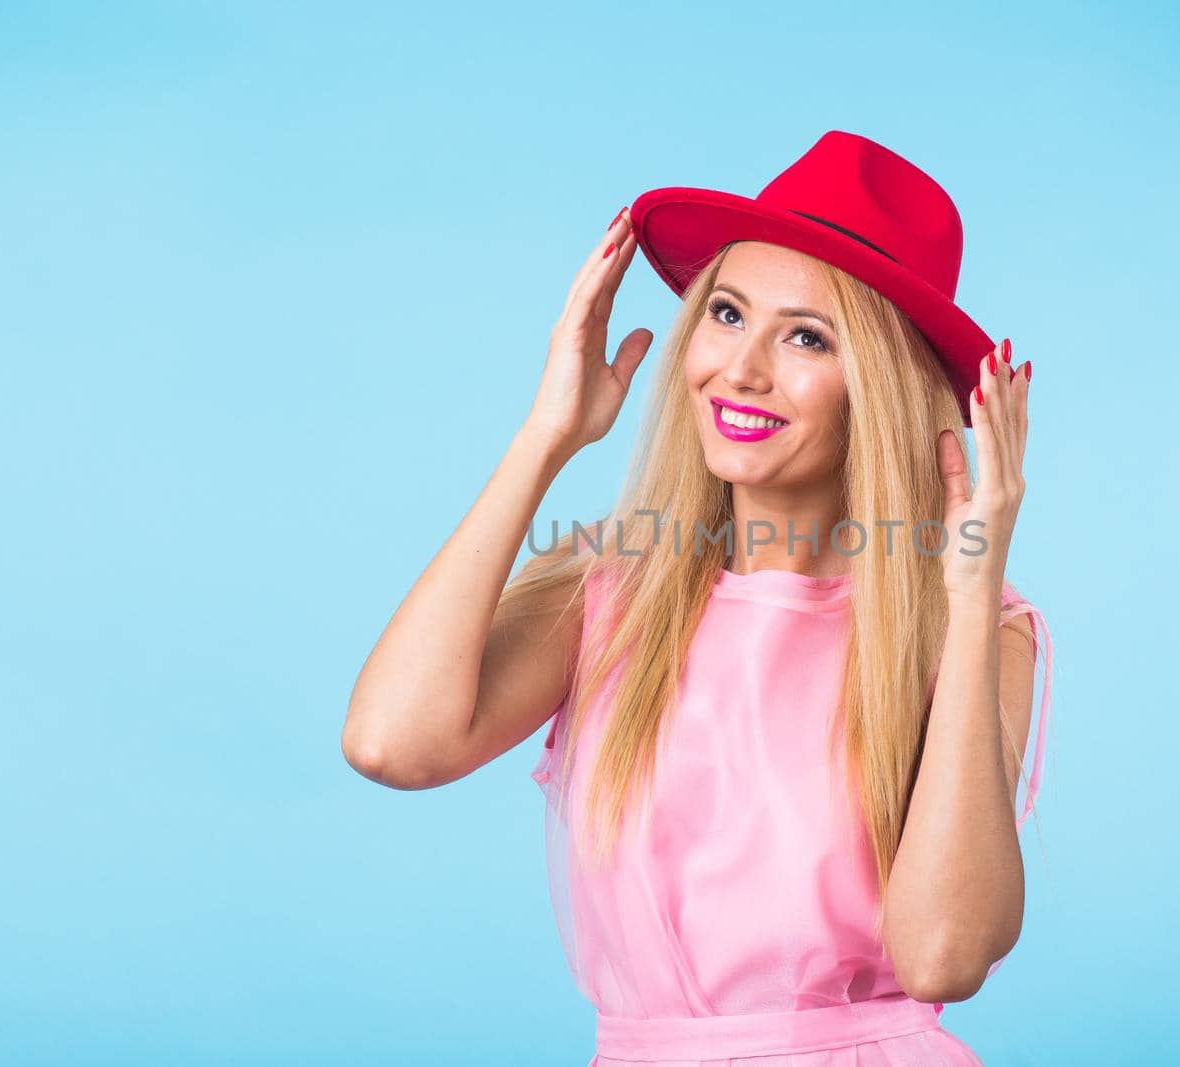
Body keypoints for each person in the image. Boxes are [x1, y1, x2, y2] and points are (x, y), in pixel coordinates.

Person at [342, 130, 1055, 1066]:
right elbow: (392, 744)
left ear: (877, 387)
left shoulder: (977, 628)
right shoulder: (608, 589)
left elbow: (944, 954)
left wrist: (962, 603)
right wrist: (546, 436)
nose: (742, 369)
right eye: (726, 314)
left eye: (806, 335)